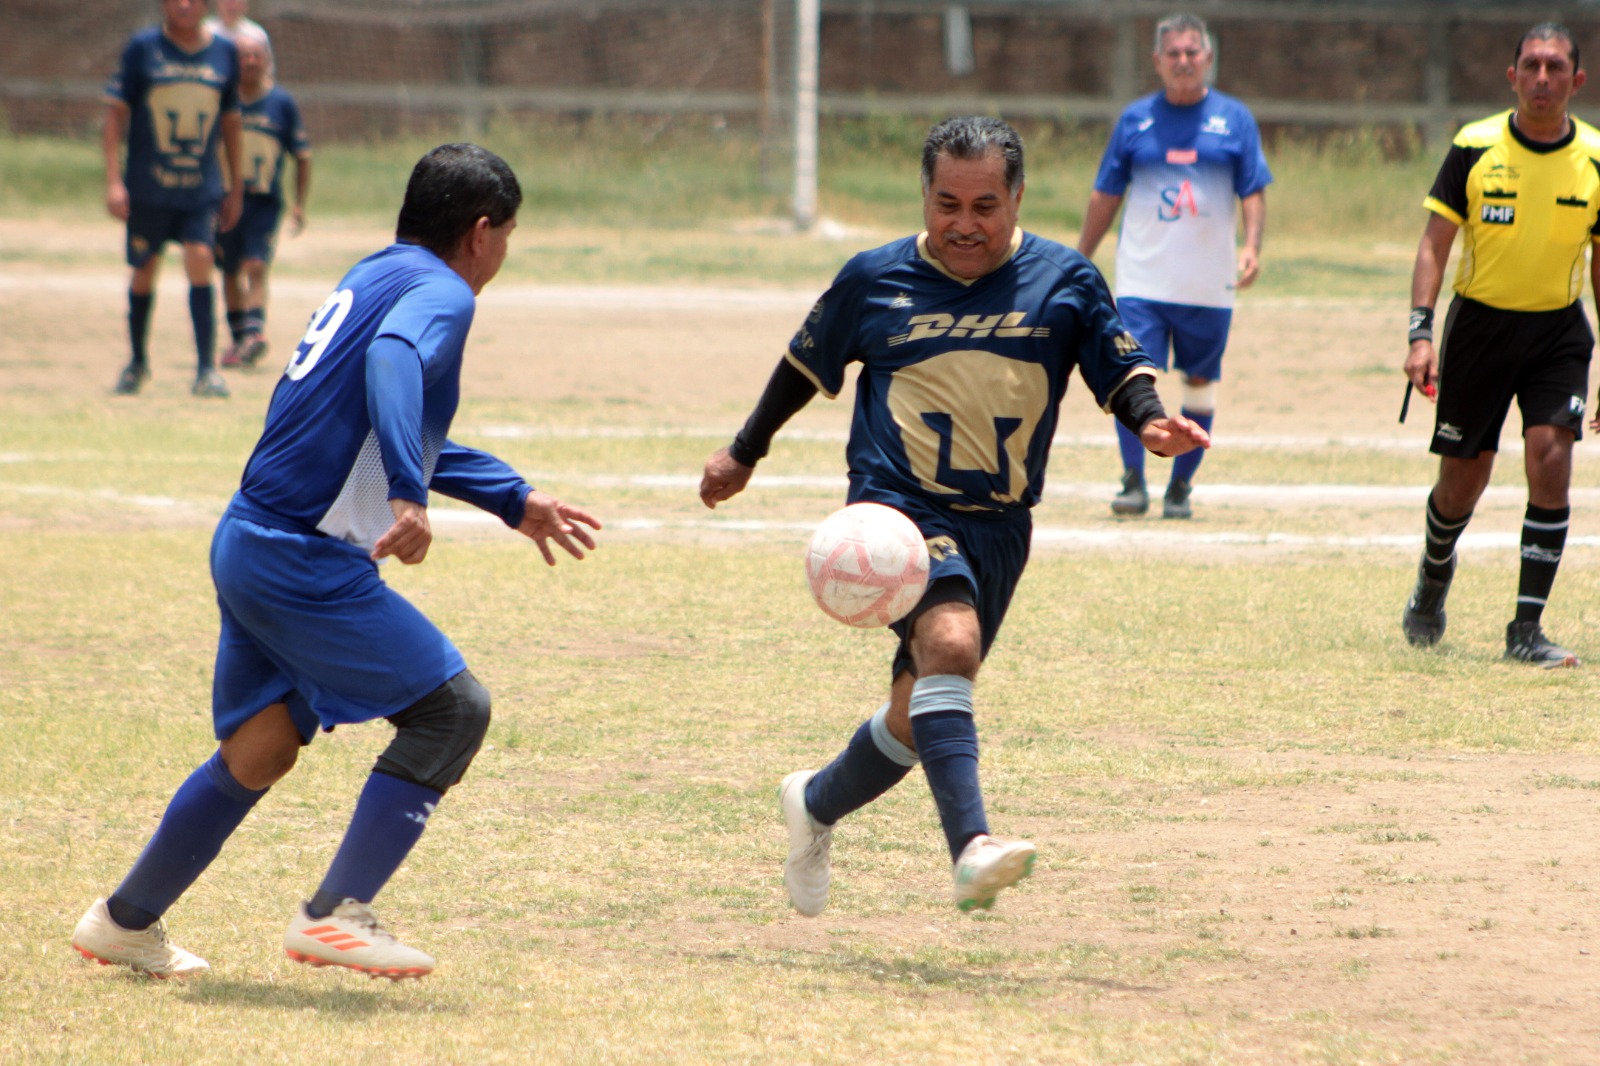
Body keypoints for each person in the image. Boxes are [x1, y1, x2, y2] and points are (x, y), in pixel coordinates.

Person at [72, 143, 603, 980]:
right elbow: (395, 363)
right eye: (508, 233)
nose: (504, 251)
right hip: (302, 560)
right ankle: (335, 914)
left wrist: (511, 497)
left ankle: (124, 921)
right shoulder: (441, 293)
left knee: (264, 747)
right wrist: (406, 495)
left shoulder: (375, 272)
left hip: (251, 538)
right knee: (453, 710)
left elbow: (371, 412)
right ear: (478, 233)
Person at [699, 116, 1209, 915]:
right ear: (924, 197)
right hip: (899, 510)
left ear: (1017, 199)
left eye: (984, 206)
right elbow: (803, 367)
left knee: (915, 713)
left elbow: (1117, 365)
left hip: (1001, 526)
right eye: (946, 204)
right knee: (952, 643)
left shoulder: (1064, 280)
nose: (963, 225)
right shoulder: (873, 279)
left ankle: (816, 803)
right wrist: (743, 452)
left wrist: (1148, 420)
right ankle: (971, 848)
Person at [1401, 22, 1600, 668]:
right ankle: (1434, 577)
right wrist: (1420, 332)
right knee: (1463, 482)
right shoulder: (1474, 147)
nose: (1543, 78)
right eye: (1532, 66)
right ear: (1512, 76)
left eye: (1555, 67)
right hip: (1480, 329)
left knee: (1551, 459)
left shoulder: (1595, 159)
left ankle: (1527, 629)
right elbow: (1435, 244)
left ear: (1577, 80)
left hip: (1558, 331)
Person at [1077, 12, 1271, 519]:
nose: (1183, 61)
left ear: (1208, 57)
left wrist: (1252, 246)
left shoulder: (1235, 120)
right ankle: (1134, 479)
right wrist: (1080, 257)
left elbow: (1252, 190)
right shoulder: (1135, 120)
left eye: (1192, 52)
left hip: (1209, 284)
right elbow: (1106, 194)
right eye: (1174, 53)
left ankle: (1180, 487)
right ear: (1158, 61)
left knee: (1199, 383)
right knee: (1132, 376)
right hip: (1143, 280)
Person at [104, 0, 245, 398]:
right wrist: (114, 181)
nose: (184, 5)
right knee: (145, 268)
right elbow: (115, 115)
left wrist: (236, 186)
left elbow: (232, 123)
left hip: (200, 189)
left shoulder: (224, 52)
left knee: (200, 259)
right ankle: (136, 363)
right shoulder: (142, 48)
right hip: (148, 187)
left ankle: (206, 370)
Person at [216, 26, 310, 370]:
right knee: (228, 271)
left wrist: (300, 203)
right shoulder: (222, 99)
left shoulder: (281, 103)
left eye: (257, 55)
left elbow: (302, 155)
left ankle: (255, 332)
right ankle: (239, 337)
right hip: (223, 201)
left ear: (268, 60)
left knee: (255, 264)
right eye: (244, 55)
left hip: (263, 201)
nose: (250, 61)